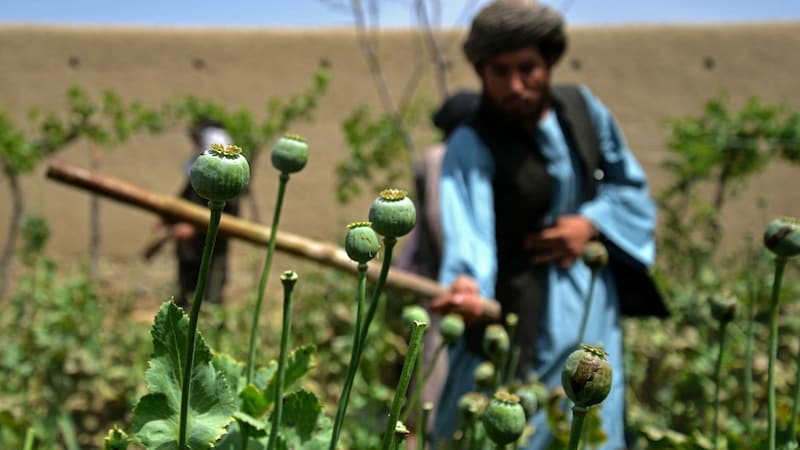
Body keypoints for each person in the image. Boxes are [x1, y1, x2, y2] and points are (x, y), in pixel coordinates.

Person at [428, 1, 665, 448]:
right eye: (499, 72)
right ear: (480, 72)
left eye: (527, 69)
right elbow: (468, 232)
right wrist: (467, 286)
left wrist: (591, 224)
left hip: (592, 303)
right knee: (512, 423)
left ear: (549, 62)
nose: (515, 85)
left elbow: (629, 188)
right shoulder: (470, 141)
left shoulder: (584, 111)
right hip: (515, 310)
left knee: (591, 423)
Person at [170, 118, 239, 308]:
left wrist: (194, 228)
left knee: (210, 298)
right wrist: (166, 218)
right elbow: (183, 199)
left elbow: (229, 216)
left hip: (210, 249)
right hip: (188, 251)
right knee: (186, 299)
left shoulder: (227, 177)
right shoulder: (197, 168)